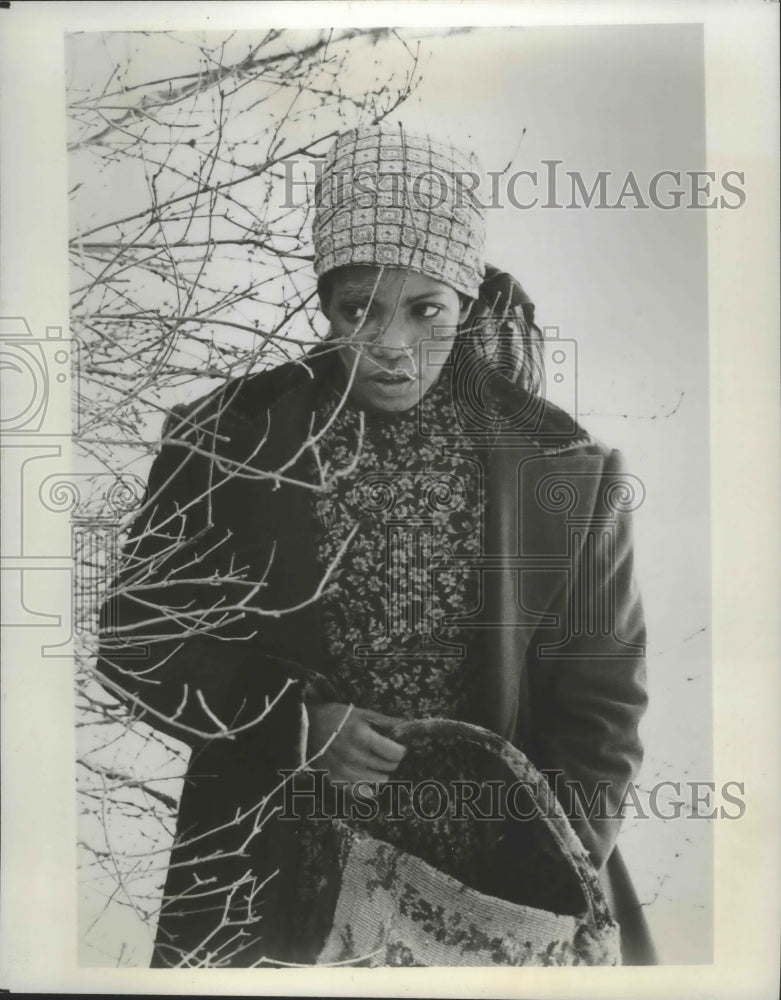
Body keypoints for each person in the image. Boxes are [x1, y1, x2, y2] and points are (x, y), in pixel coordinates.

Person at [95, 124, 655, 967]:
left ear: (464, 303)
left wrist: (540, 883)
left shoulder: (561, 471)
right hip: (272, 877)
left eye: (424, 308)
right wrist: (293, 727)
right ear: (326, 305)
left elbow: (600, 707)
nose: (390, 343)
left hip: (489, 887)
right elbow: (140, 636)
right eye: (360, 308)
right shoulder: (228, 438)